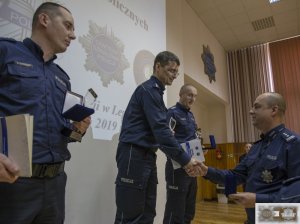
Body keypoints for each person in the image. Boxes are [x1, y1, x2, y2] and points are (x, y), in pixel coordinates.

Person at [0, 2, 91, 223]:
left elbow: (65, 135)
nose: (73, 35)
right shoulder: (5, 52)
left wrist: (78, 131)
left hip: (55, 184)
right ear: (44, 20)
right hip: (13, 183)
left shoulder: (62, 78)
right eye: (68, 26)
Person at [114, 51, 199, 224]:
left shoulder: (157, 94)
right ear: (157, 67)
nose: (174, 75)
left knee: (147, 214)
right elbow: (161, 132)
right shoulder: (148, 90)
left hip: (147, 155)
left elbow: (160, 131)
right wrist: (186, 160)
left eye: (176, 72)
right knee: (131, 216)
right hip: (134, 154)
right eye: (171, 70)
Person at [196, 92, 300, 224]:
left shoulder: (293, 144)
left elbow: (296, 202)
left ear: (274, 110)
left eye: (256, 107)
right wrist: (205, 171)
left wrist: (259, 200)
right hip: (254, 219)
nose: (251, 111)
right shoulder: (256, 147)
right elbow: (235, 176)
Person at [163, 84, 199, 224]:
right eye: (190, 94)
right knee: (175, 210)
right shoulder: (171, 112)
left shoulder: (191, 115)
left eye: (195, 96)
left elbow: (191, 139)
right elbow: (167, 141)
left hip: (193, 166)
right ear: (181, 94)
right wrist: (182, 160)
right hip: (177, 167)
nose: (193, 98)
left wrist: (200, 151)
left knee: (189, 209)